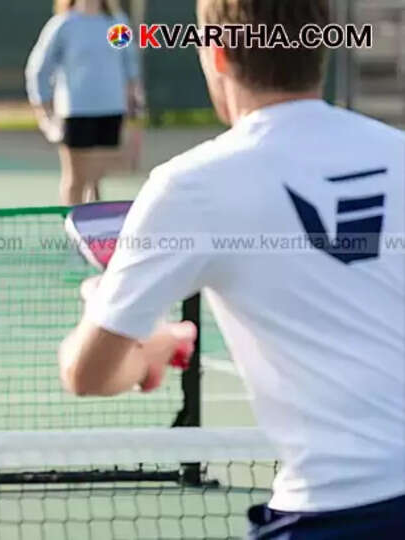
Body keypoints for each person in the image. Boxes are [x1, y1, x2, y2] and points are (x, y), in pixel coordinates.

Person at [58, 0, 404, 538]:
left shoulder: (190, 186)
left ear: (216, 55)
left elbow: (87, 372)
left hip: (336, 513)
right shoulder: (398, 152)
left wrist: (141, 340)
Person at [25, 0, 144, 204]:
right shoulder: (63, 24)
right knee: (76, 179)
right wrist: (44, 111)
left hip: (111, 111)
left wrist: (135, 98)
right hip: (75, 112)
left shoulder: (117, 23)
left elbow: (129, 64)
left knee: (95, 178)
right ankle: (71, 229)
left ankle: (93, 228)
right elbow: (38, 69)